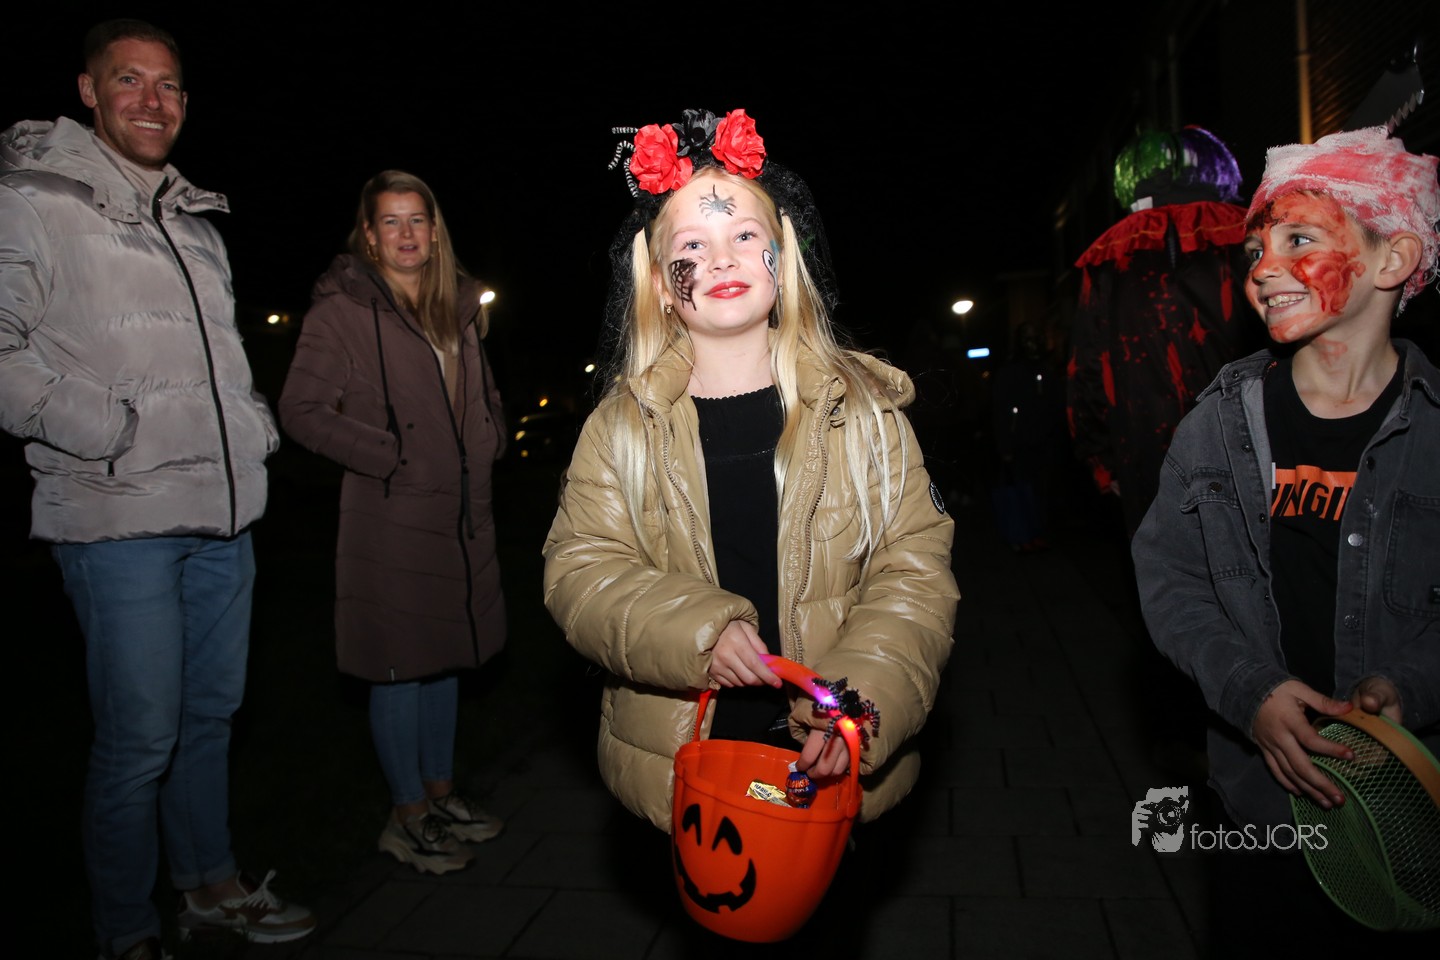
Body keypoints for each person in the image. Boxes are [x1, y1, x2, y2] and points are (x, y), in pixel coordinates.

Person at [543, 108, 959, 833]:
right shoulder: (620, 429)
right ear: (661, 284)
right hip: (689, 762)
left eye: (743, 236)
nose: (722, 259)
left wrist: (853, 707)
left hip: (823, 761)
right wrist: (694, 632)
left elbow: (913, 574)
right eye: (692, 246)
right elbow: (580, 570)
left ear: (782, 257)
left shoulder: (862, 412)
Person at [0, 20, 313, 959]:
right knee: (139, 741)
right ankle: (126, 933)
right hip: (118, 518)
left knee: (208, 720)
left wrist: (252, 427)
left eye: (169, 85)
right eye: (129, 80)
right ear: (88, 91)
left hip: (224, 516)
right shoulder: (31, 200)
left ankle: (208, 884)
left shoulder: (194, 221)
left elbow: (216, 366)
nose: (152, 100)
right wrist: (109, 429)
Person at [1132, 127, 1439, 950]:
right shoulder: (1217, 427)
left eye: (1299, 240)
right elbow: (1171, 582)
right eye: (1256, 250)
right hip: (1259, 806)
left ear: (1392, 259)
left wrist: (1407, 690)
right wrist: (1251, 693)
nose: (1263, 268)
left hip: (1401, 812)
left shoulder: (1434, 433)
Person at [280, 170, 507, 875]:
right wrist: (390, 455)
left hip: (460, 515)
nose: (406, 233)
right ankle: (405, 816)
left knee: (445, 659)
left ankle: (439, 795)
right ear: (369, 237)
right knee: (399, 669)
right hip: (390, 516)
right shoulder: (341, 313)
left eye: (417, 220)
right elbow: (300, 410)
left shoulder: (455, 307)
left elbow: (479, 395)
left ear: (435, 233)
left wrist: (491, 436)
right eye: (391, 221)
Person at [1069, 126, 1261, 538]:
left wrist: (1102, 461)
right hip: (1250, 441)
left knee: (1170, 566)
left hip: (1148, 454)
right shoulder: (1252, 235)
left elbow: (1087, 368)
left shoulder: (1110, 256)